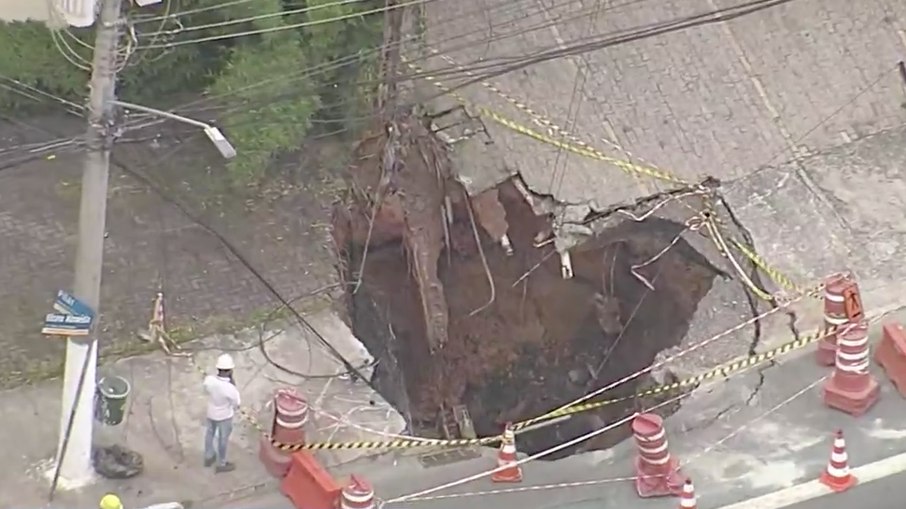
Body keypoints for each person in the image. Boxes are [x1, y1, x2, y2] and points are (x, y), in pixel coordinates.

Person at [203, 353, 240, 473]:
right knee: (223, 439)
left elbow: (205, 390)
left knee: (209, 434)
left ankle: (209, 456)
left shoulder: (209, 380)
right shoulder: (230, 389)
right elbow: (236, 404)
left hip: (211, 412)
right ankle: (222, 462)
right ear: (230, 371)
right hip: (224, 416)